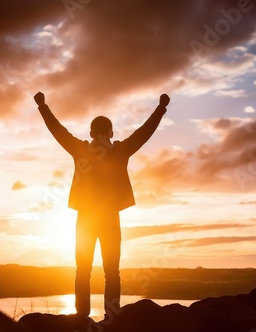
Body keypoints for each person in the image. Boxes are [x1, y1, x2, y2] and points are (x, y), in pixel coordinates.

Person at [34, 91, 170, 319]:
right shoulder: (120, 151)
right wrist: (160, 108)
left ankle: (81, 318)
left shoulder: (81, 150)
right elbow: (144, 133)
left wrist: (42, 106)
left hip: (85, 219)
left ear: (90, 133)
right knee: (112, 272)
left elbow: (57, 130)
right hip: (109, 218)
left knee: (83, 271)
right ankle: (111, 318)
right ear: (111, 132)